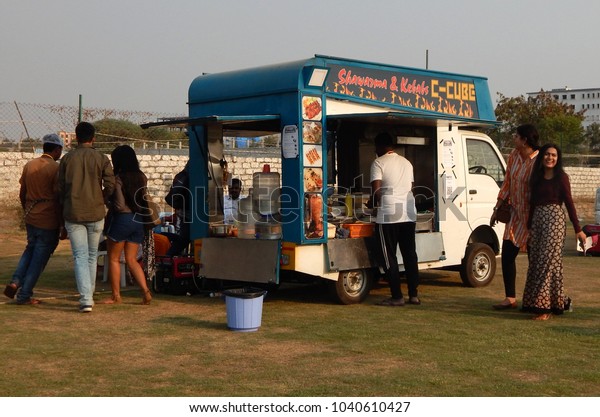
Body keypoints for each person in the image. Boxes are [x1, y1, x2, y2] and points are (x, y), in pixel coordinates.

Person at [522, 144, 587, 320]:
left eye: (554, 155)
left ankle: (544, 309)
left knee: (547, 262)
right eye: (547, 155)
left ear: (558, 159)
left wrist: (578, 229)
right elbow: (532, 204)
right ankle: (557, 302)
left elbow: (569, 203)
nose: (550, 158)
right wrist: (529, 228)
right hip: (537, 221)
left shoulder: (562, 178)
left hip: (555, 220)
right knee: (538, 262)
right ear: (542, 156)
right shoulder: (536, 178)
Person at [58, 122, 115, 313]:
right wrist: (102, 197)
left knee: (80, 256)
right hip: (96, 212)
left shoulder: (67, 159)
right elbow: (111, 184)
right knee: (91, 256)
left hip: (73, 212)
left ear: (76, 137)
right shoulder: (101, 158)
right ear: (93, 138)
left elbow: (60, 188)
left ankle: (86, 299)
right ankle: (88, 296)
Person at [3, 134, 66, 304]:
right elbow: (58, 196)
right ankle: (24, 295)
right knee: (39, 259)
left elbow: (22, 193)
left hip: (31, 215)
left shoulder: (29, 165)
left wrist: (27, 210)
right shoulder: (56, 168)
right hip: (49, 218)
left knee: (29, 250)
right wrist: (62, 224)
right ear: (57, 149)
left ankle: (15, 282)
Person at [490, 124, 539, 310]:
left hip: (533, 217)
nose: (513, 138)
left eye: (516, 136)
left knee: (534, 260)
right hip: (515, 215)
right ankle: (510, 297)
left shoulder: (539, 159)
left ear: (525, 139)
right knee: (508, 255)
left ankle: (534, 299)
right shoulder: (513, 156)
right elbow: (507, 183)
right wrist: (498, 207)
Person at [370, 132, 420, 306]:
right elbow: (410, 187)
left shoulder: (378, 162)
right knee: (410, 255)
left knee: (388, 256)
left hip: (389, 214)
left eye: (376, 147)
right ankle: (414, 295)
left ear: (381, 147)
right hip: (408, 212)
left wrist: (371, 203)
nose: (375, 151)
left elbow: (376, 191)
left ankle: (397, 296)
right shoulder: (407, 162)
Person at [101, 145, 152, 305]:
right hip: (139, 220)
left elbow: (119, 205)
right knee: (131, 259)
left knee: (114, 259)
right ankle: (145, 291)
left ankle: (116, 296)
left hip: (122, 220)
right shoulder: (141, 176)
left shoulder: (119, 178)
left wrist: (106, 200)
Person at [165, 162, 191, 256]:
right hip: (189, 214)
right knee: (184, 239)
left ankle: (168, 257)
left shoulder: (182, 175)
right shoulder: (190, 176)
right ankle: (168, 258)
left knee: (184, 239)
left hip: (185, 213)